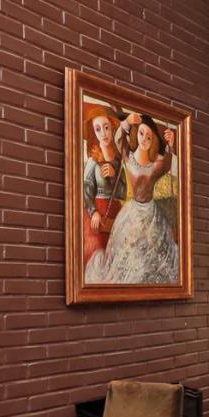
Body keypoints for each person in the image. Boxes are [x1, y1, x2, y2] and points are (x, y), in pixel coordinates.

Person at [86, 112, 179, 285]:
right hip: (132, 211)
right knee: (128, 251)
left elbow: (166, 165)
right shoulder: (128, 158)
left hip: (151, 213)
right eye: (142, 133)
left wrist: (170, 145)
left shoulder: (155, 166)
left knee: (152, 252)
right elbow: (119, 140)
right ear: (137, 134)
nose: (144, 139)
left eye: (149, 137)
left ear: (152, 142)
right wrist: (127, 123)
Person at [81, 108, 127, 265]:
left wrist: (114, 176)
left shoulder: (118, 161)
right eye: (98, 129)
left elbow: (123, 192)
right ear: (94, 132)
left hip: (115, 212)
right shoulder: (93, 160)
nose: (103, 133)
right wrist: (93, 211)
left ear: (112, 128)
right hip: (97, 213)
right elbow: (86, 188)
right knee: (97, 256)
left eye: (106, 127)